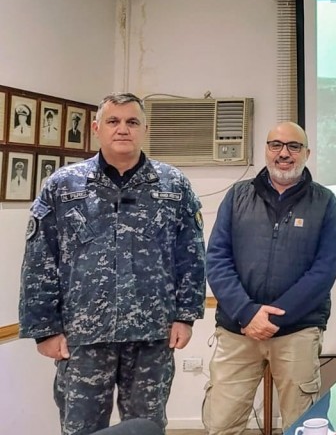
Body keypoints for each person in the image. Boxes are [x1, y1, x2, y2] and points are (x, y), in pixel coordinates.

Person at [18, 92, 206, 435]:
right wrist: (44, 329)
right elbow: (40, 259)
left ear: (145, 129)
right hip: (84, 335)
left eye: (132, 122)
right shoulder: (63, 185)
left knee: (146, 427)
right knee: (81, 428)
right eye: (113, 121)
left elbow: (190, 255)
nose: (123, 129)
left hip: (152, 333)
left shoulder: (173, 185)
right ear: (96, 128)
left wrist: (185, 316)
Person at [203, 122, 336, 434]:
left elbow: (324, 271)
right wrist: (247, 312)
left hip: (297, 332)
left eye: (294, 146)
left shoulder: (324, 201)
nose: (284, 153)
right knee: (222, 425)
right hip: (238, 331)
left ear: (307, 153)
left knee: (302, 426)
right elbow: (217, 259)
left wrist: (275, 318)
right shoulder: (237, 196)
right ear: (266, 150)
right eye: (276, 145)